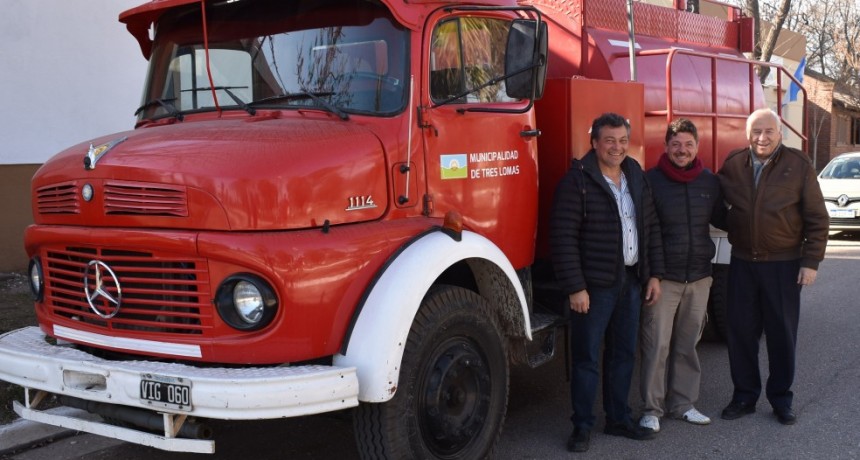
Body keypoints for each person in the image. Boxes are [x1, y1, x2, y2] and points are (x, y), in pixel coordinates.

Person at [550, 112, 664, 453]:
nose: (617, 147)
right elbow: (563, 237)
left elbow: (651, 227)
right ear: (595, 142)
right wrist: (575, 287)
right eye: (610, 140)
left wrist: (653, 274)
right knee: (586, 358)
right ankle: (581, 426)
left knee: (623, 354)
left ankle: (617, 419)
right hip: (593, 288)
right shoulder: (578, 180)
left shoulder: (635, 175)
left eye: (622, 140)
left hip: (630, 281)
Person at [718, 108, 829, 425]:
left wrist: (811, 262)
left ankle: (781, 399)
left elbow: (818, 218)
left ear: (780, 133)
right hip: (741, 263)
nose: (762, 138)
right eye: (756, 132)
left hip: (783, 265)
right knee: (740, 333)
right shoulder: (733, 164)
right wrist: (737, 226)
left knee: (781, 335)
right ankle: (744, 396)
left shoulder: (798, 165)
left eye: (768, 131)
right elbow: (717, 206)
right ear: (747, 135)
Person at [638, 119, 725, 434]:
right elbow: (648, 233)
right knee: (656, 346)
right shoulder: (651, 181)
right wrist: (654, 275)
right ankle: (651, 410)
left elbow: (724, 219)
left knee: (688, 344)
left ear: (697, 147)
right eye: (676, 144)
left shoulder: (708, 181)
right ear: (666, 147)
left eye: (688, 144)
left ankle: (683, 405)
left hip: (700, 277)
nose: (682, 150)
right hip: (665, 280)